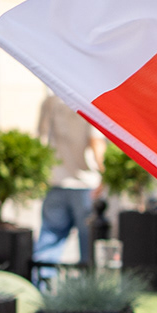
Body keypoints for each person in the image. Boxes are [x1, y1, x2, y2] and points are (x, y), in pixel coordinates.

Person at [34, 94, 102, 264]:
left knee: (50, 239)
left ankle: (42, 285)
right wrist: (105, 173)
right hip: (85, 183)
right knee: (88, 245)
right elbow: (96, 142)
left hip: (56, 181)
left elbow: (40, 140)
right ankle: (87, 288)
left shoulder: (50, 101)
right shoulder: (89, 100)